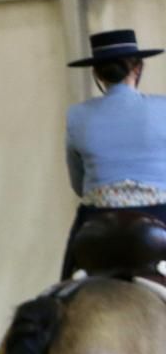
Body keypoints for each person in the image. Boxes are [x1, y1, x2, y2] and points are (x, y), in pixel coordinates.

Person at [62, 29, 166, 278]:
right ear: (137, 68)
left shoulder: (77, 115)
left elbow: (78, 184)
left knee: (65, 288)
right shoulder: (163, 108)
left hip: (97, 219)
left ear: (96, 73)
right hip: (159, 215)